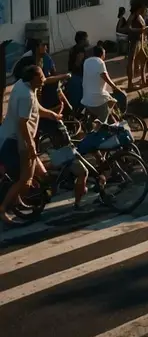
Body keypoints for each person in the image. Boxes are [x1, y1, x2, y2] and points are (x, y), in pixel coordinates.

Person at [0, 65, 86, 224]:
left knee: (41, 173)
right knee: (25, 179)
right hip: (18, 140)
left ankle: (19, 201)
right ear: (33, 78)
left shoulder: (22, 85)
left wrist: (52, 114)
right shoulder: (26, 95)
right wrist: (31, 146)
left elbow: (35, 108)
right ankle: (3, 208)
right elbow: (22, 123)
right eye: (40, 78)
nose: (43, 80)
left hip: (12, 136)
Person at [81, 45, 125, 123]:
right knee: (108, 109)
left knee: (108, 101)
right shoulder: (100, 62)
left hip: (86, 97)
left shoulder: (86, 61)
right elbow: (105, 76)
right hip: (97, 98)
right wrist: (115, 87)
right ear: (102, 54)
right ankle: (101, 128)